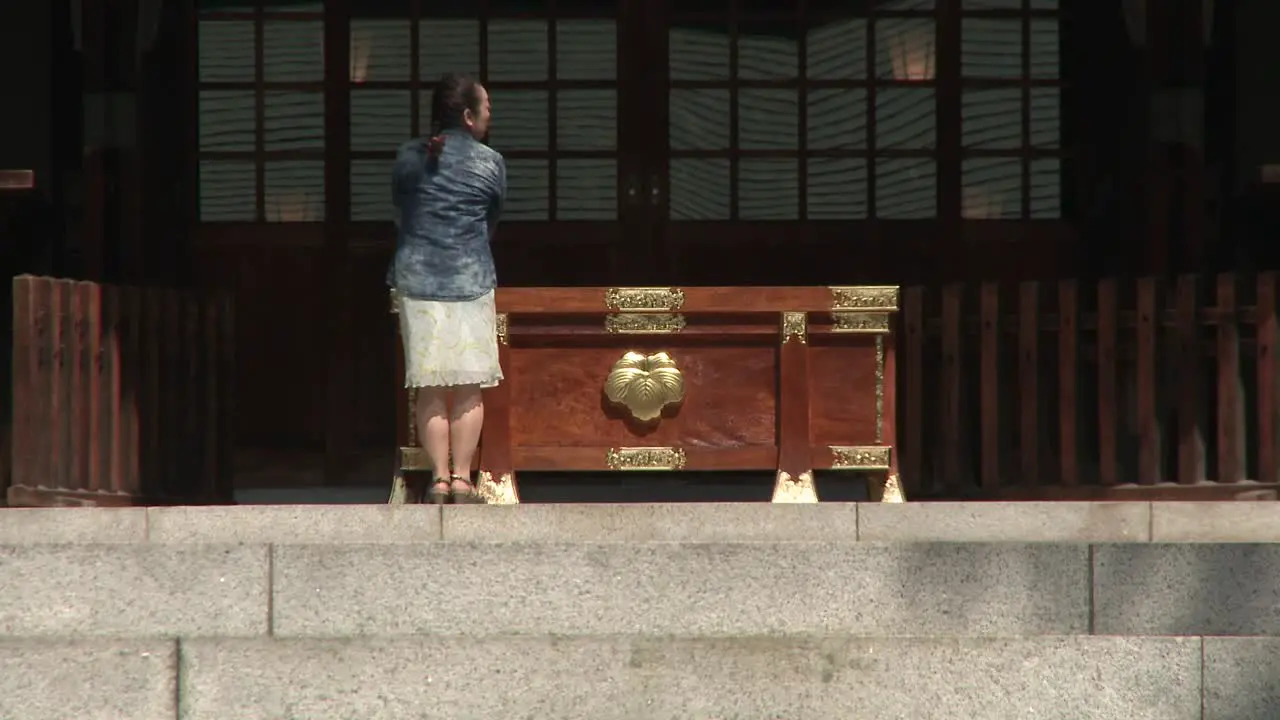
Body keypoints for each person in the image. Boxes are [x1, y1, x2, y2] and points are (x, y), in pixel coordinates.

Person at [388, 72, 505, 504]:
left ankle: (436, 479)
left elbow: (403, 208)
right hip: (471, 279)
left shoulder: (408, 157)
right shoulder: (490, 162)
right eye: (487, 108)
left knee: (431, 384)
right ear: (469, 116)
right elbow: (492, 218)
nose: (491, 115)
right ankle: (462, 479)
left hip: (418, 280)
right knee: (470, 384)